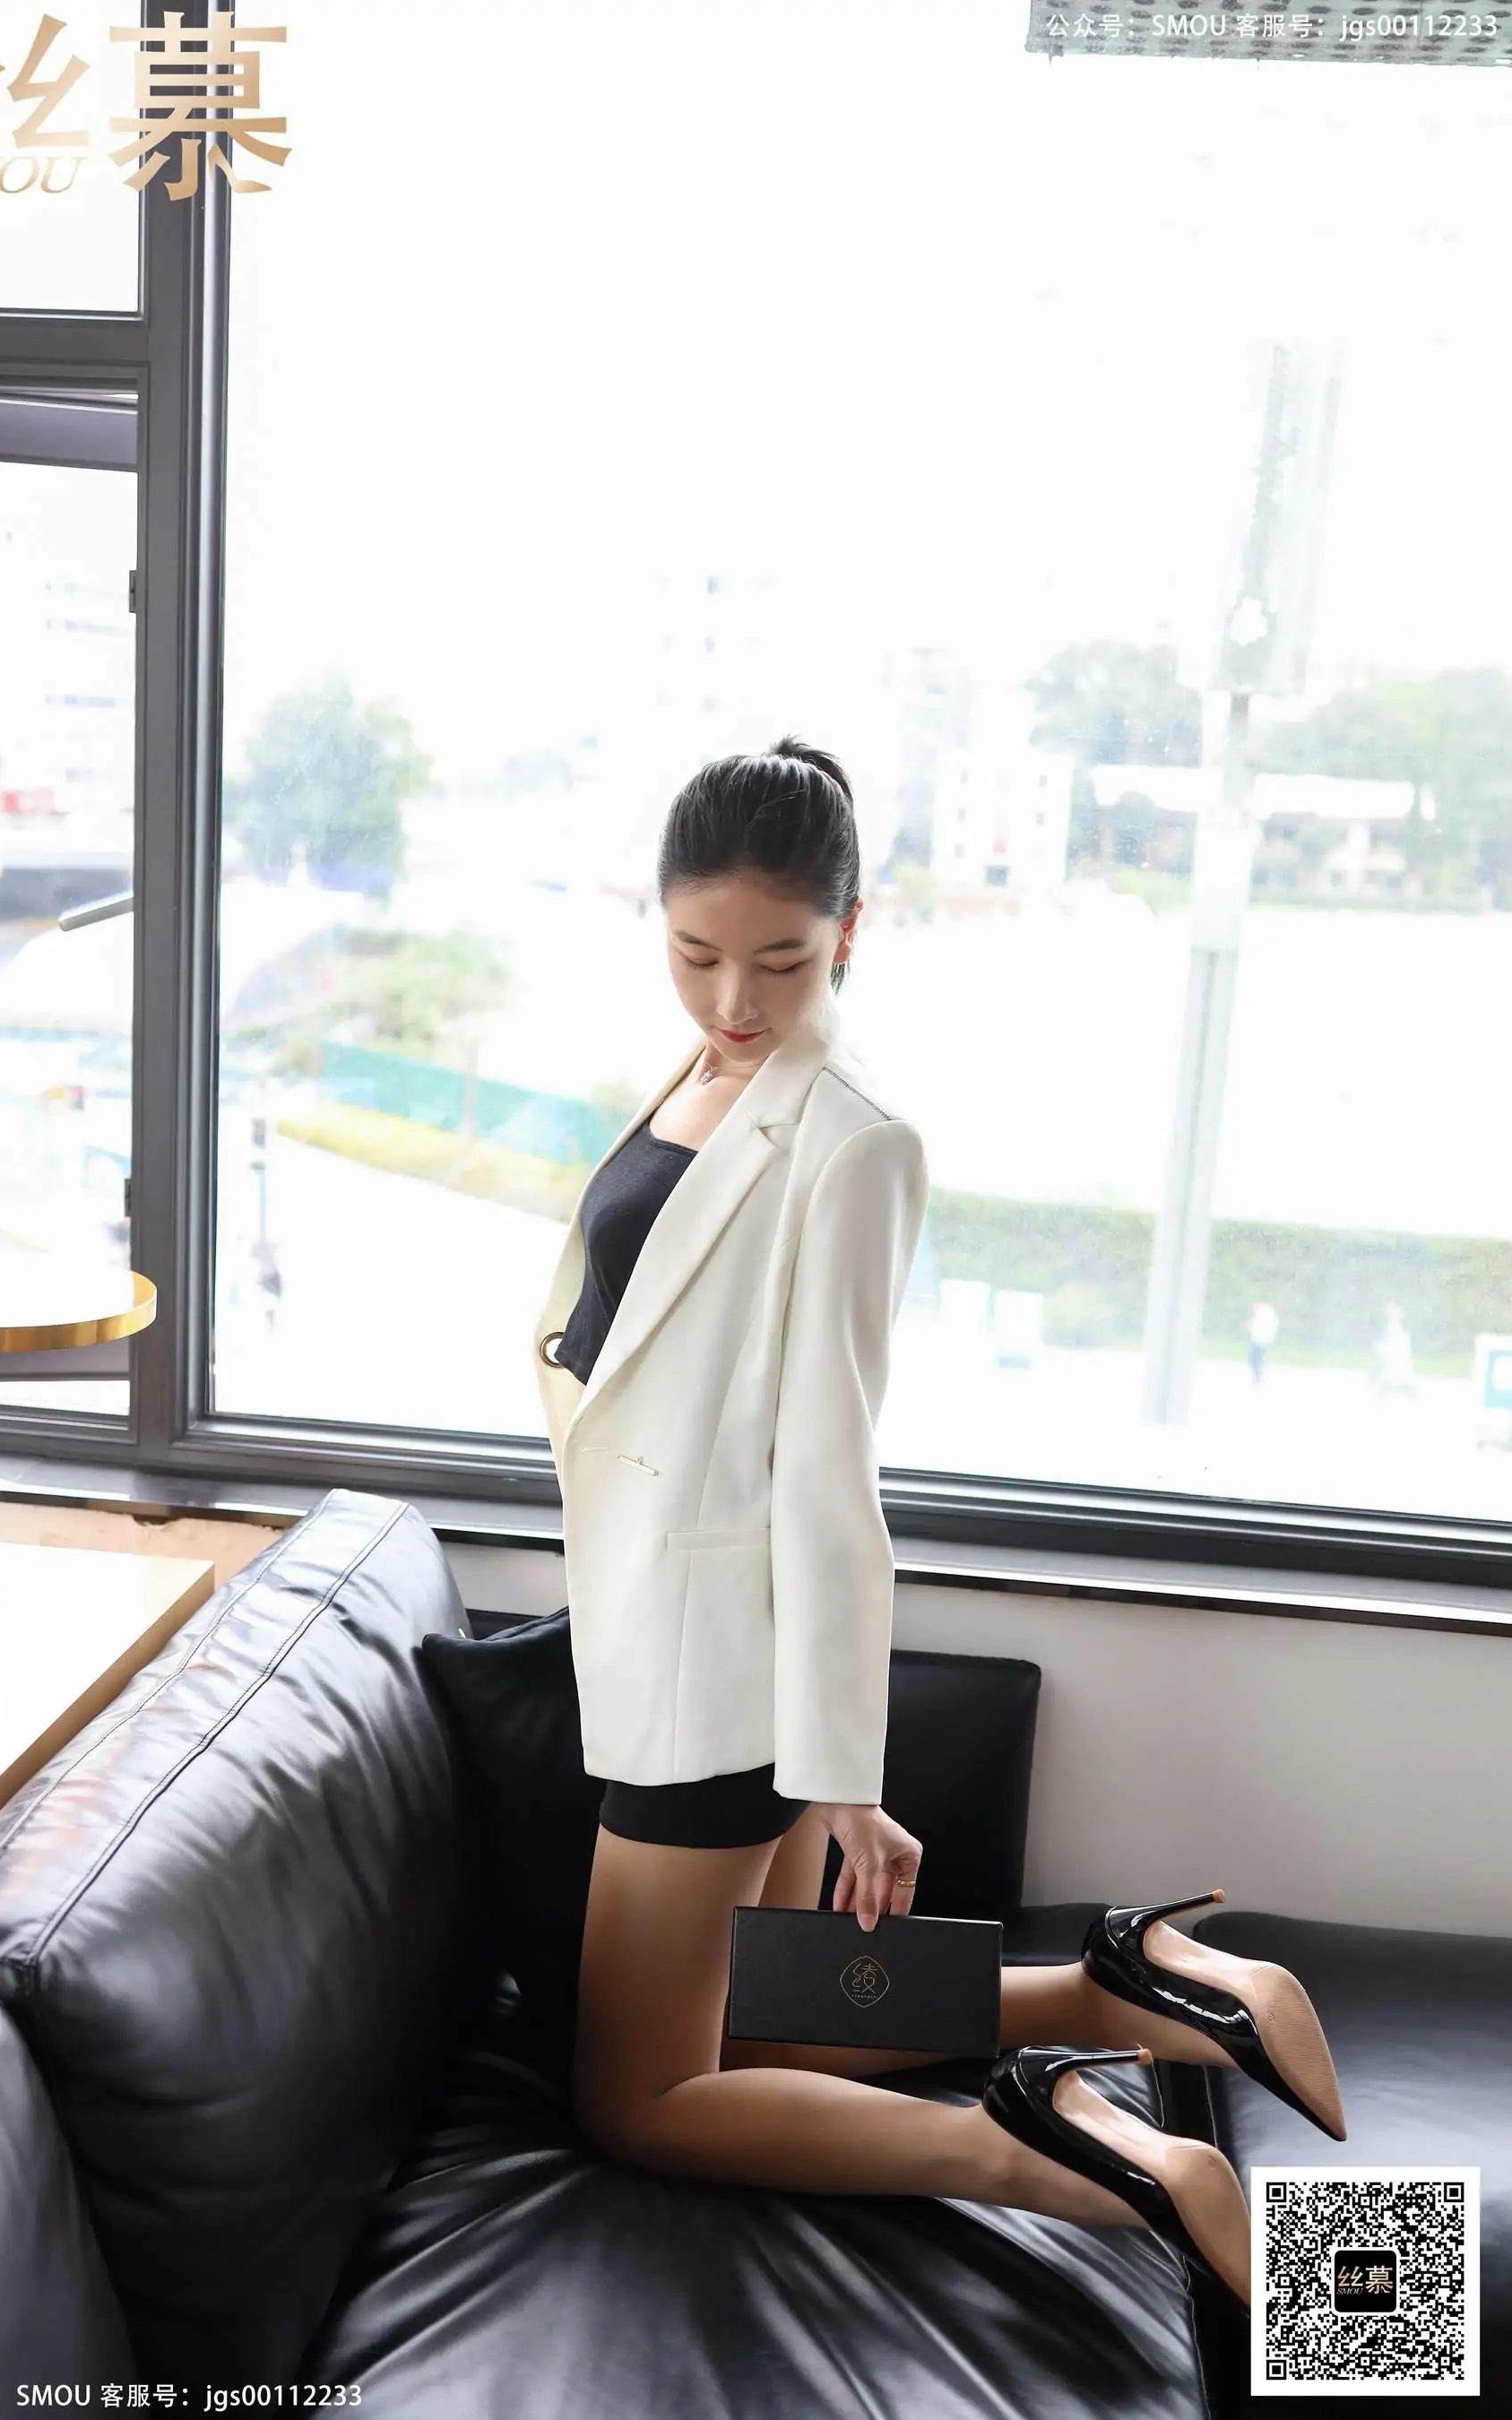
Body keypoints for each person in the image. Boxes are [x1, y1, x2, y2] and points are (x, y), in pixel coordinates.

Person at [531, 737, 1346, 2312]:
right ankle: (1130, 1992)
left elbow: (832, 1470)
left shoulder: (853, 1137)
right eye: (696, 954)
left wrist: (845, 1777)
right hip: (676, 1646)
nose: (735, 999)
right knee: (765, 2025)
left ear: (851, 928)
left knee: (635, 2097)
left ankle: (1059, 2154)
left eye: (781, 961)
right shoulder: (712, 1076)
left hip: (714, 1672)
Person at [1248, 1299, 1279, 1386]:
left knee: (1254, 1359)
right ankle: (1258, 1375)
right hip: (1260, 1340)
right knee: (1255, 1359)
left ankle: (1258, 1377)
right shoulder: (1265, 1313)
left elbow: (1259, 1328)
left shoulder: (1264, 1313)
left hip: (1260, 1341)